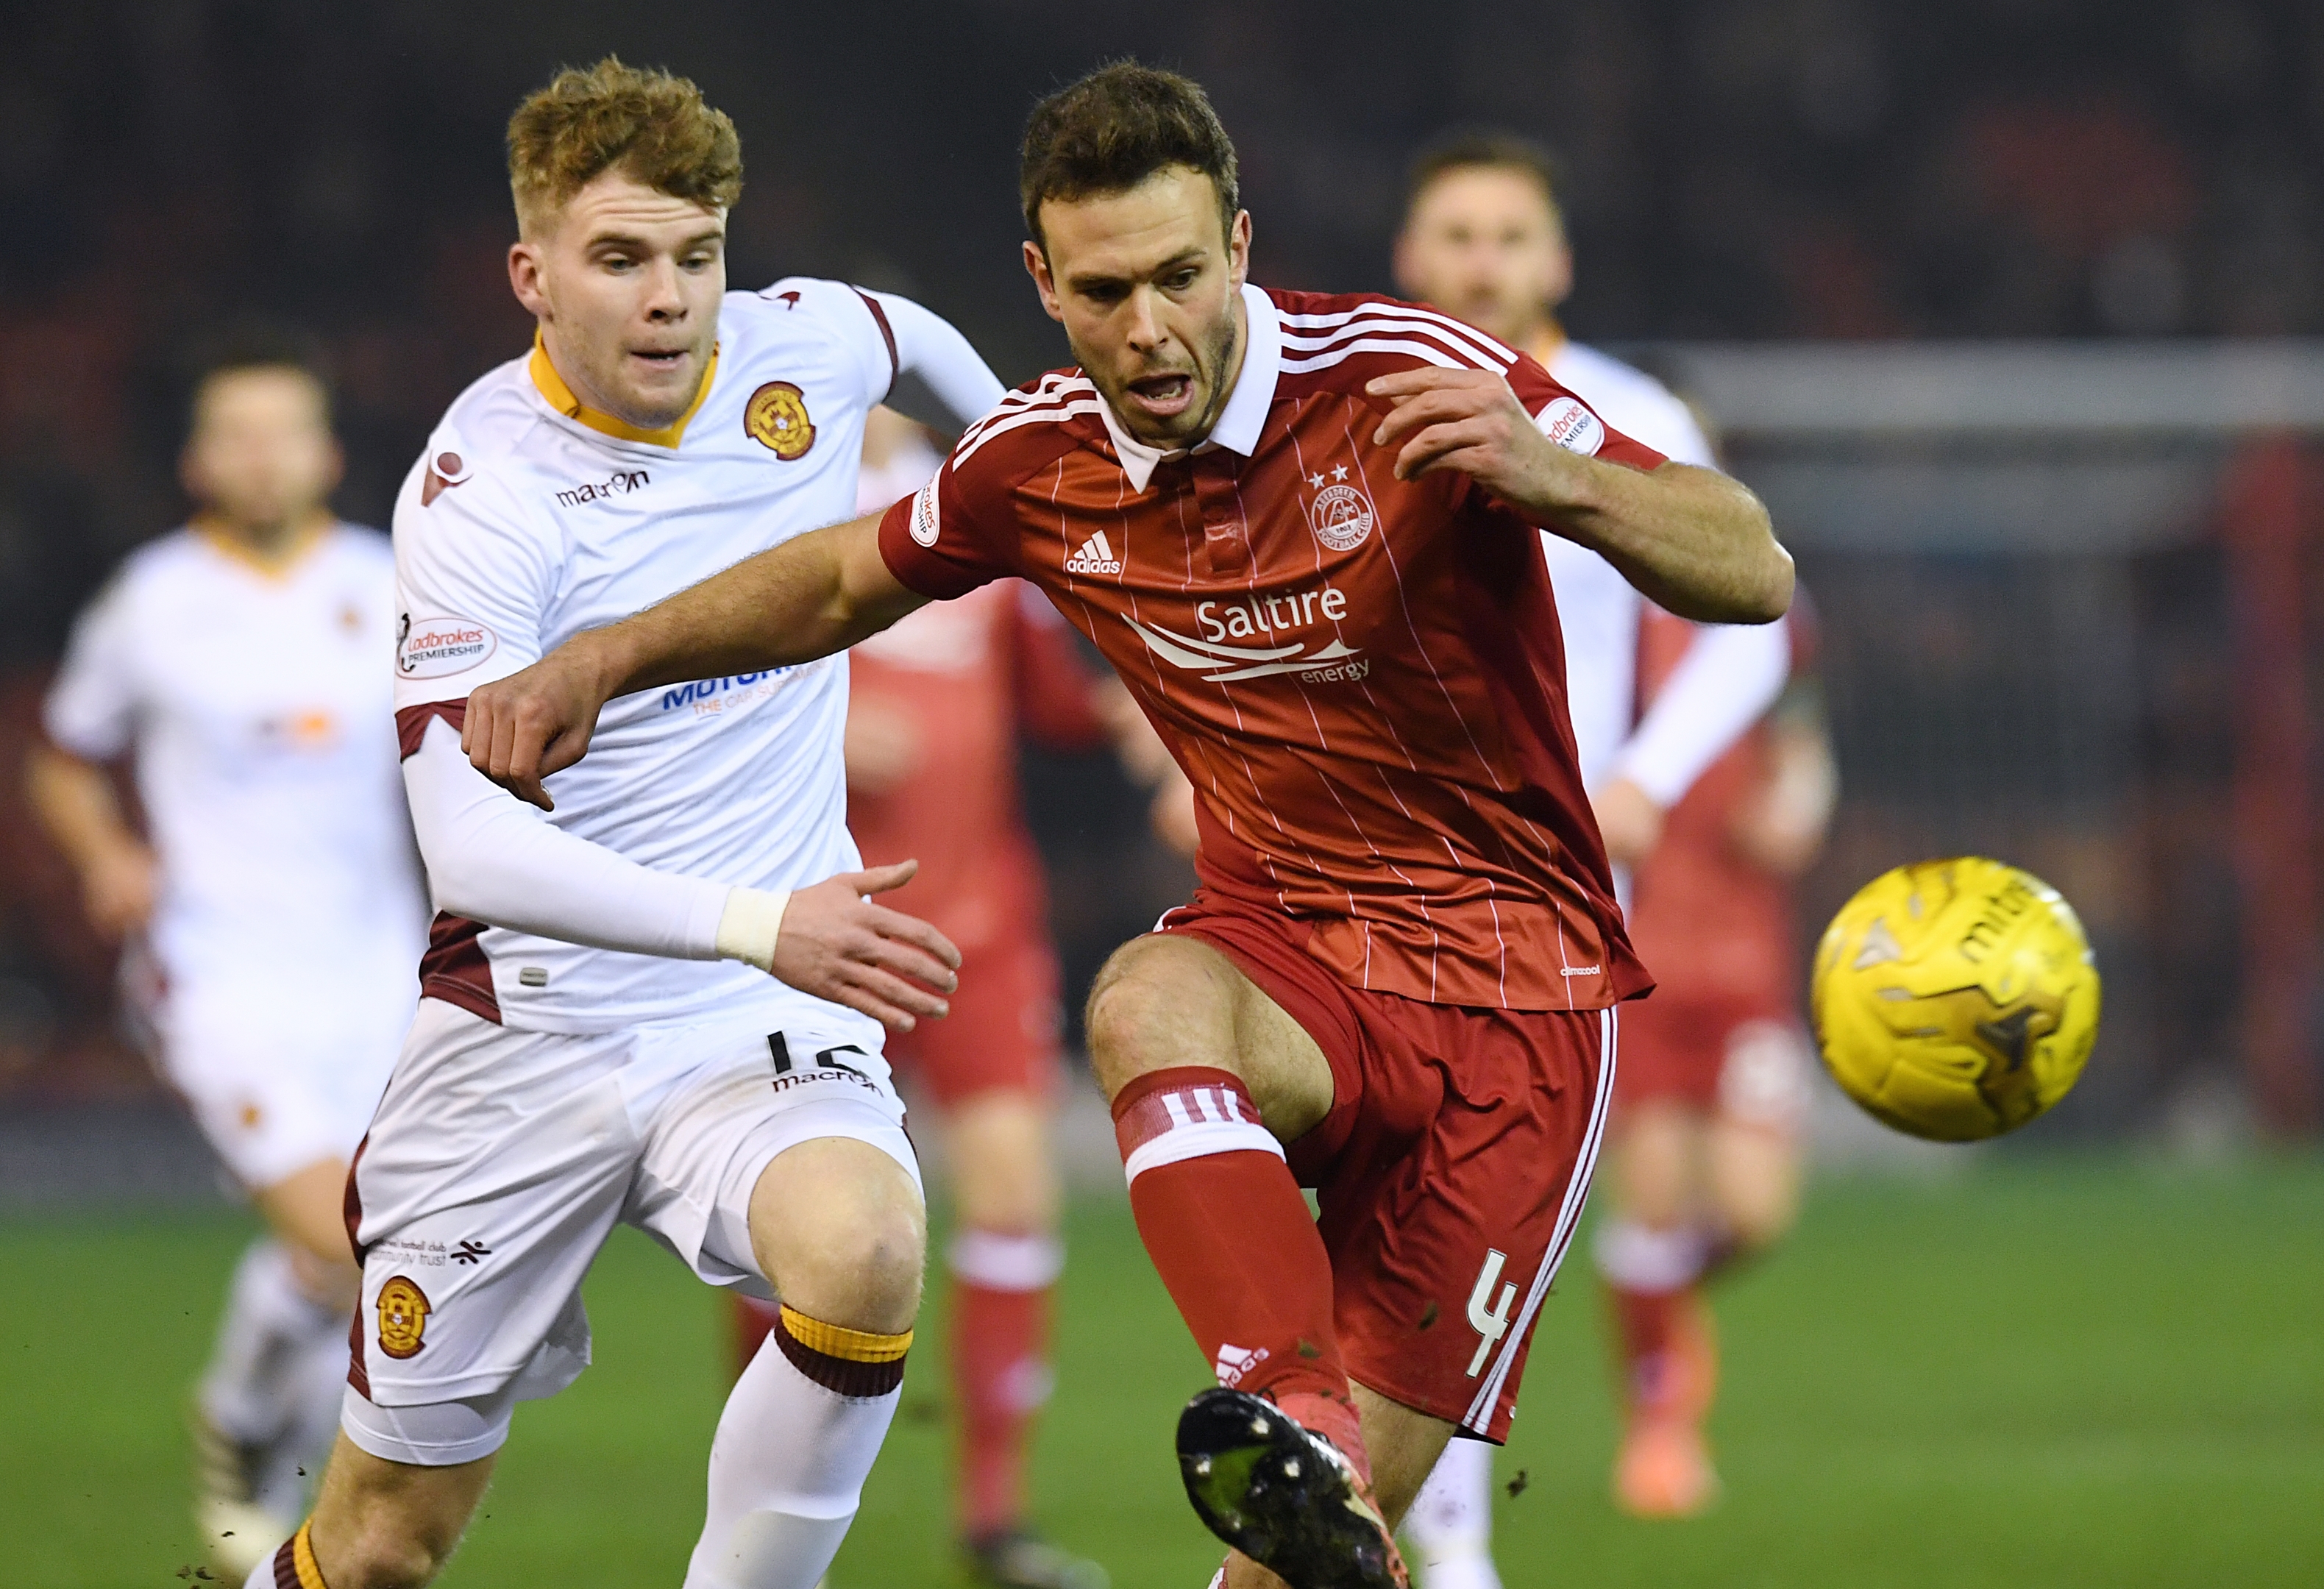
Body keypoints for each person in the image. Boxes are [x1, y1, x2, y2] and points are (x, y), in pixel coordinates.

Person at [461, 63, 1791, 1589]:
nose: (1146, 327)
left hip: (1514, 1003)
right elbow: (836, 582)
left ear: (1236, 242)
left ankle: (1315, 1488)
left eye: (1176, 276)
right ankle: (1279, 1402)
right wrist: (600, 656)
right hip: (1288, 951)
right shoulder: (1037, 461)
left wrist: (1551, 474)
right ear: (1041, 283)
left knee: (1310, 1571)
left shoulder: (1405, 375)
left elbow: (1749, 567)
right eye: (1103, 291)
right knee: (1147, 994)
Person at [255, 58, 1006, 1589]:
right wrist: (764, 920)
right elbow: (467, 852)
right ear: (531, 276)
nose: (671, 300)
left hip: (753, 1019)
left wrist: (1017, 454)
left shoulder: (798, 348)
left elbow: (908, 334)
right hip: (531, 1025)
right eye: (619, 260)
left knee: (864, 1245)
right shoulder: (482, 498)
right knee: (386, 1543)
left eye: (695, 255)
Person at [1388, 132, 1823, 1564]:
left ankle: (1436, 1517)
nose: (1480, 262)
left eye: (1508, 236)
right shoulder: (1341, 406)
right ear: (1410, 258)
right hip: (1374, 858)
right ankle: (1437, 1534)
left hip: (1562, 868)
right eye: (1455, 235)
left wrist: (1638, 774)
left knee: (1493, 1207)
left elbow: (1748, 625)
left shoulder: (1627, 414)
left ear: (1554, 260)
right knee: (1404, 1200)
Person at [26, 335, 427, 1578]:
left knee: (355, 1249)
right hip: (218, 974)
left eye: (285, 430)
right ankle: (330, 1520)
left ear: (330, 454)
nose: (262, 454)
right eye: (236, 433)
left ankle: (245, 1426)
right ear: (201, 460)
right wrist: (104, 853)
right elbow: (61, 757)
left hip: (382, 965)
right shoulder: (151, 601)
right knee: (362, 1242)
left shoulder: (396, 581)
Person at [725, 406, 1131, 1589]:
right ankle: (758, 1499)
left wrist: (1150, 702)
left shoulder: (976, 546)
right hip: (819, 933)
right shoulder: (771, 544)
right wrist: (817, 721)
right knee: (784, 1235)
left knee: (1012, 1195)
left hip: (978, 931)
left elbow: (1056, 702)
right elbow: (685, 706)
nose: (880, 440)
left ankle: (994, 1519)